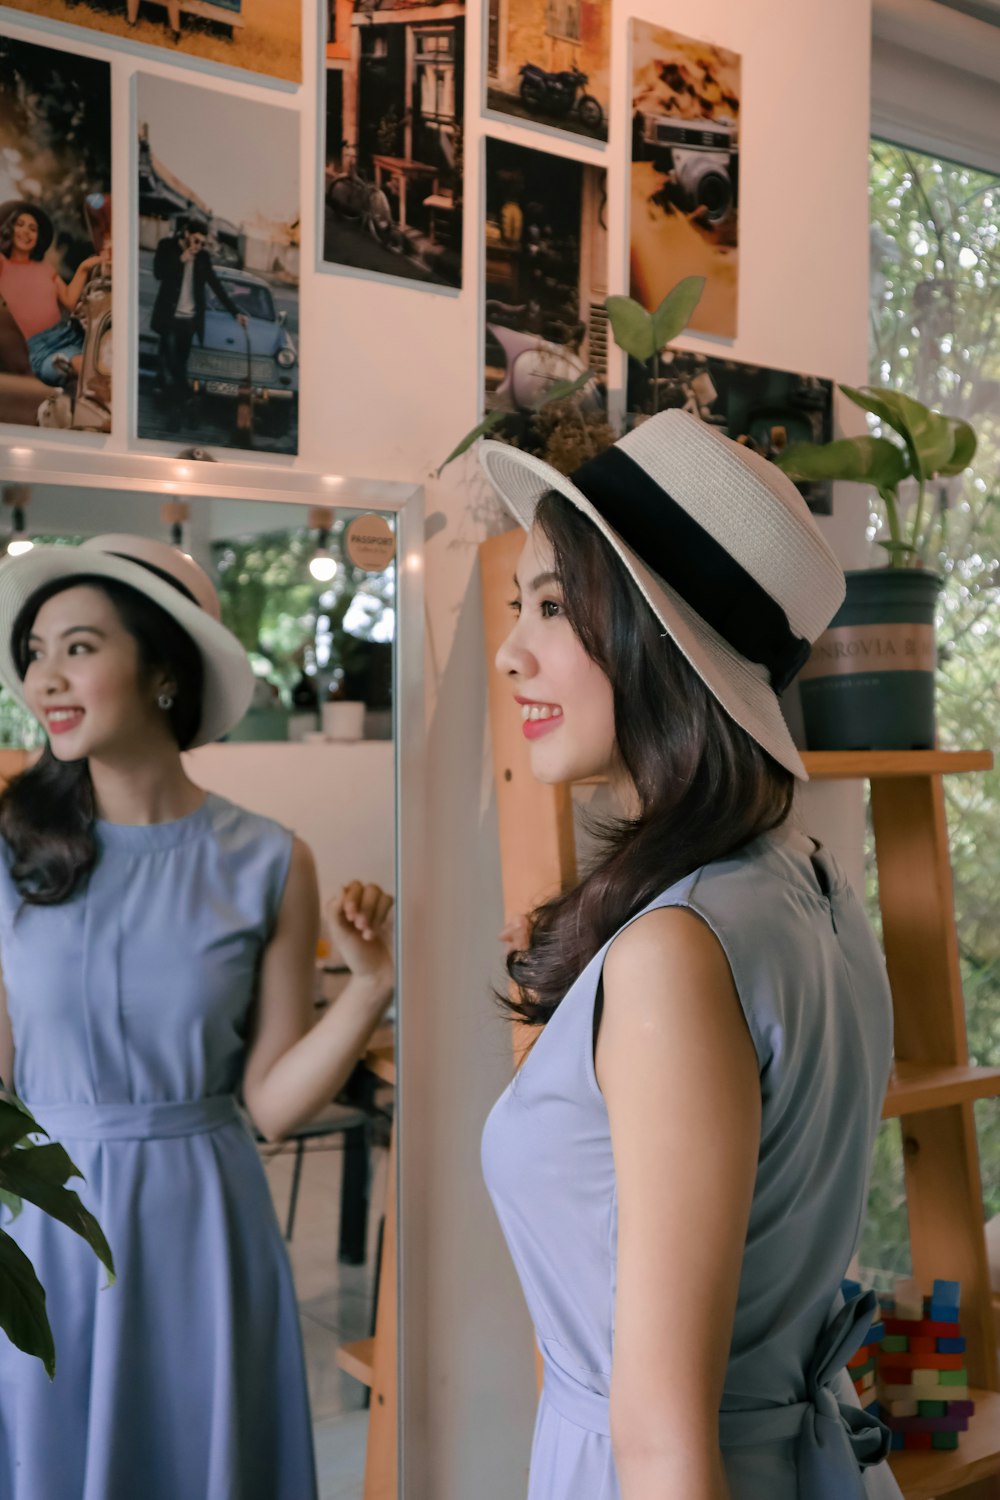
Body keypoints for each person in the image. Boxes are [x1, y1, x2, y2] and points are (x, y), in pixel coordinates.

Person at [479, 408, 905, 1500]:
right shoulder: (809, 886)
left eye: (552, 606)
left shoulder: (677, 951)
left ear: (658, 642)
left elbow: (663, 1439)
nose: (508, 647)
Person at [0, 535, 395, 1500]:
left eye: (81, 647)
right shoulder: (9, 848)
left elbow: (268, 1102)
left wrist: (374, 986)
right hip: (45, 1217)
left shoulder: (269, 859)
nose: (46, 677)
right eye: (36, 652)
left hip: (205, 1220)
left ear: (165, 671)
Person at [150, 217, 248, 427]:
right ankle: (183, 410)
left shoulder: (202, 257)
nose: (198, 246)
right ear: (185, 234)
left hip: (189, 321)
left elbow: (216, 285)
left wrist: (235, 313)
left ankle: (180, 411)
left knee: (179, 368)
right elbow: (158, 274)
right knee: (172, 369)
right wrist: (181, 259)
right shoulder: (166, 247)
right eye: (195, 241)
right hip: (169, 320)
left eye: (203, 243)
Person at [0, 201, 109, 385]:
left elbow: (69, 301)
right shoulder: (4, 265)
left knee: (108, 362)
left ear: (38, 238)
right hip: (45, 350)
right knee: (87, 367)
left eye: (32, 229)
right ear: (8, 229)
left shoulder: (45, 268)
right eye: (19, 225)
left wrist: (84, 268)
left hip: (72, 334)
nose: (26, 232)